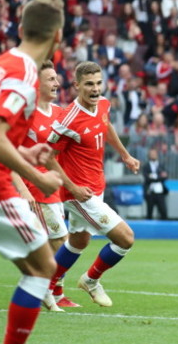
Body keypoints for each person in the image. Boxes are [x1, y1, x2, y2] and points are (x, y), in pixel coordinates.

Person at [0, 0, 65, 344]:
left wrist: (23, 149)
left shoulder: (4, 62)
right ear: (58, 37)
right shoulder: (26, 74)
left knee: (38, 267)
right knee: (42, 268)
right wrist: (38, 177)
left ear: (21, 29)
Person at [46, 61, 140, 308]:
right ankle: (91, 279)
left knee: (79, 242)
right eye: (89, 84)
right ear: (77, 85)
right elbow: (47, 157)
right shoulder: (68, 120)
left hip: (96, 185)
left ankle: (45, 287)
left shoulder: (103, 104)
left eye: (98, 83)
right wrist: (73, 188)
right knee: (126, 239)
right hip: (78, 192)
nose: (95, 89)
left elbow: (106, 126)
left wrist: (125, 155)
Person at [16, 60, 79, 310]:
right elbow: (9, 150)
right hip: (36, 185)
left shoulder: (60, 113)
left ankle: (52, 290)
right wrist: (21, 188)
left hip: (56, 184)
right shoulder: (26, 115)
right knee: (61, 239)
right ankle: (45, 289)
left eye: (56, 78)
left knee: (54, 241)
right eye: (50, 79)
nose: (56, 82)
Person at [143, 147, 169, 220]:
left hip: (160, 192)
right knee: (149, 212)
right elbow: (147, 178)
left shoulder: (161, 165)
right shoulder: (146, 166)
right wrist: (159, 177)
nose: (153, 155)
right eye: (152, 154)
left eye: (154, 154)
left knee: (163, 212)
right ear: (149, 155)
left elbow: (165, 176)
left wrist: (153, 177)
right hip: (150, 192)